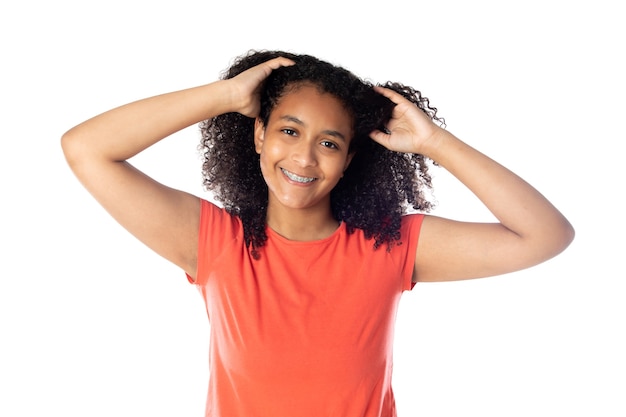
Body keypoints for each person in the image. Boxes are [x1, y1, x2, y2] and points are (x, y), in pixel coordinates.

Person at [61, 50, 574, 417]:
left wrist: (434, 142)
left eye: (329, 143)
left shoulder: (389, 246)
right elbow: (86, 149)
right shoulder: (217, 243)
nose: (304, 158)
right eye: (288, 131)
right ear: (259, 134)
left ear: (350, 158)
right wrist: (224, 95)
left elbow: (545, 235)